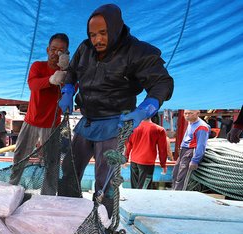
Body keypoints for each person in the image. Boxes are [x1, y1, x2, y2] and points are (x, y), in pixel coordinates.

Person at [58, 4, 174, 216]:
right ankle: (67, 214)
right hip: (88, 120)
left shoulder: (137, 51)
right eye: (92, 34)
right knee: (69, 171)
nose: (97, 40)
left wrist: (145, 109)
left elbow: (162, 83)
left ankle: (102, 225)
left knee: (105, 180)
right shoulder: (85, 49)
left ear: (115, 27)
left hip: (115, 123)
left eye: (103, 33)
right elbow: (72, 72)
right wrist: (67, 90)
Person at [9, 33, 69, 187]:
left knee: (52, 163)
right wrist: (50, 80)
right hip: (31, 122)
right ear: (48, 49)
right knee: (19, 157)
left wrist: (65, 71)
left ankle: (48, 197)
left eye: (61, 51)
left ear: (67, 53)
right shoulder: (38, 66)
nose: (56, 53)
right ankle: (11, 188)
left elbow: (71, 90)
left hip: (53, 125)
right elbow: (33, 85)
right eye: (53, 49)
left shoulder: (68, 73)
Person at [124, 118, 168, 189]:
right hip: (147, 162)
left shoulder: (133, 128)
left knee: (134, 188)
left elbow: (128, 145)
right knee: (144, 188)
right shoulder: (159, 129)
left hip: (134, 161)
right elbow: (162, 149)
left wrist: (125, 159)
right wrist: (163, 164)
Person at [172, 110, 210, 190]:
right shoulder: (190, 122)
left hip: (190, 151)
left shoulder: (202, 127)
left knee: (182, 176)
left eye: (190, 113)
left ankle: (179, 195)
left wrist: (195, 161)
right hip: (183, 150)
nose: (187, 115)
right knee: (175, 173)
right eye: (185, 113)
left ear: (197, 113)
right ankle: (174, 192)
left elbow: (201, 145)